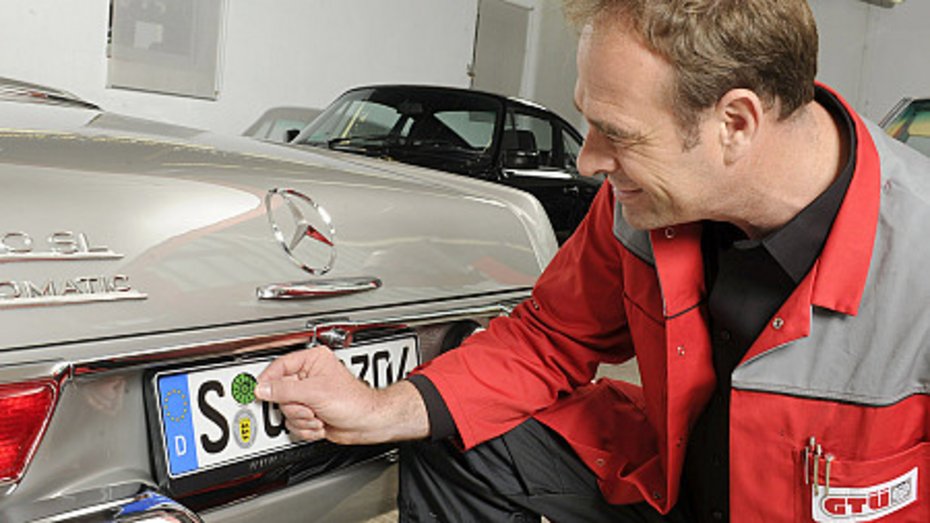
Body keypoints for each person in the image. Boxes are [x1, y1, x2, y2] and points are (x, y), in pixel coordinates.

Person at [256, 0, 930, 521]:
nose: (587, 162)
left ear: (735, 124)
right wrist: (381, 407)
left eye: (618, 134)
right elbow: (549, 336)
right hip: (676, 488)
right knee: (456, 433)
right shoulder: (641, 208)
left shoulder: (918, 262)